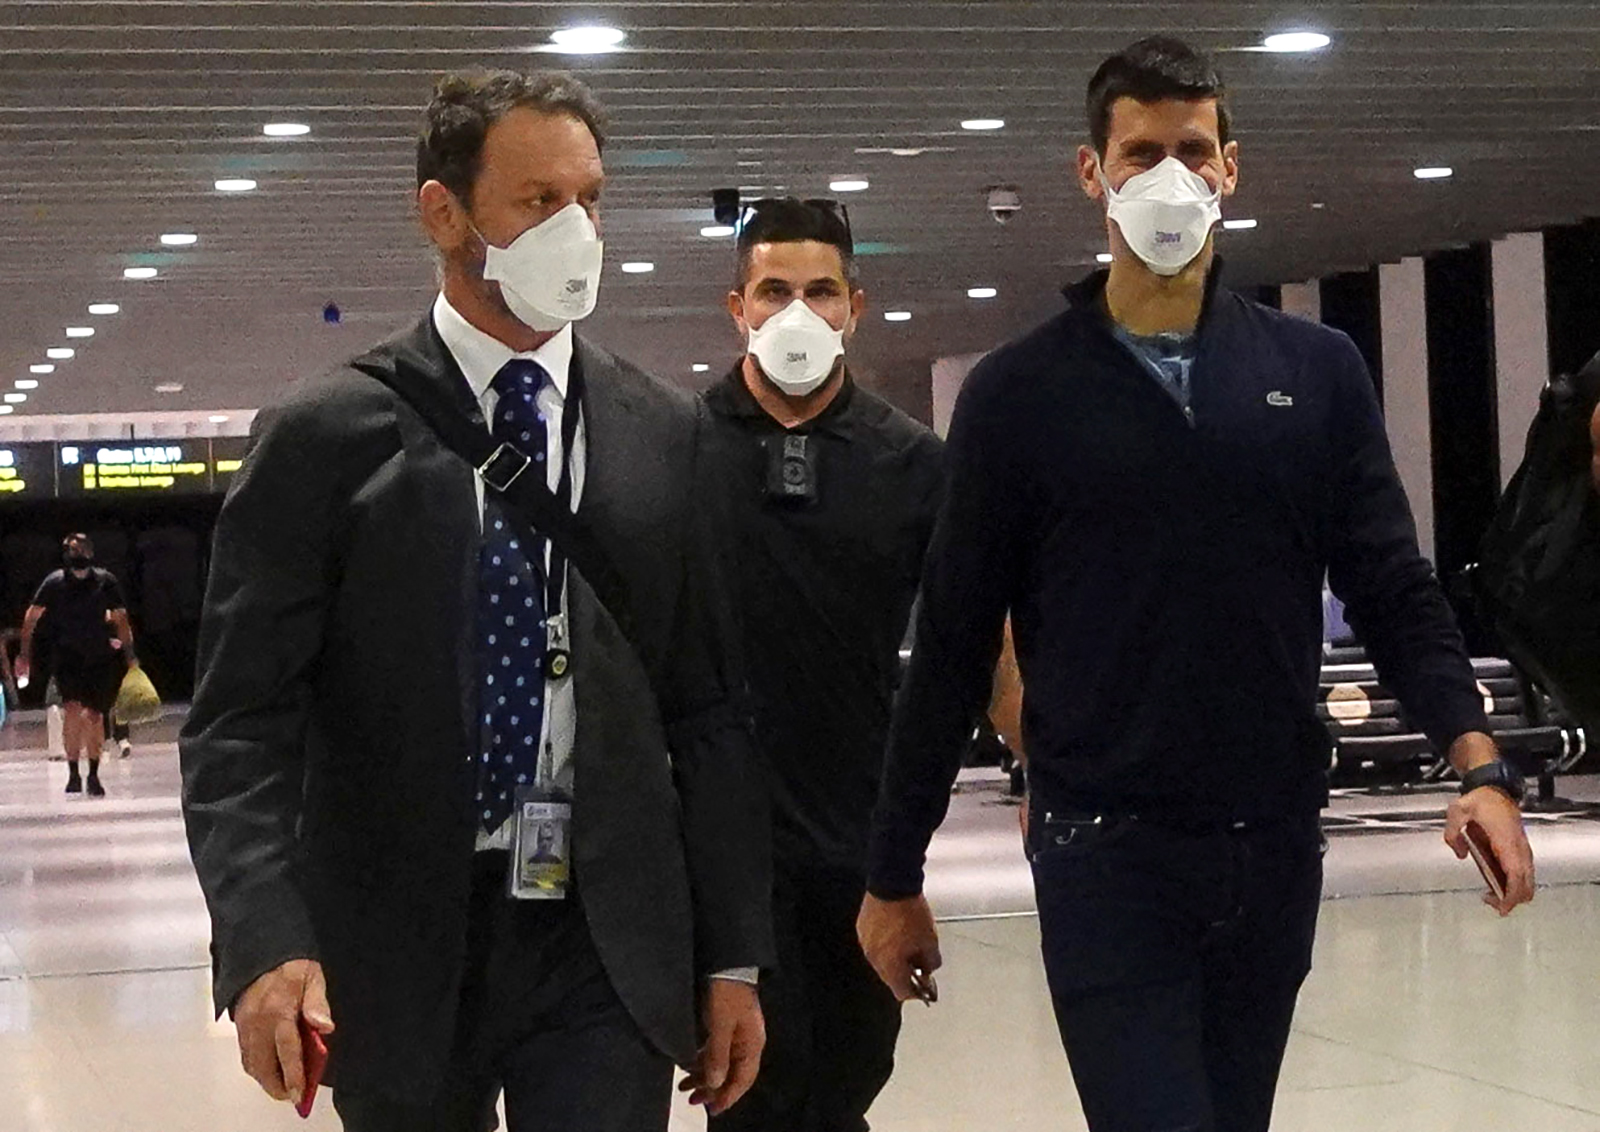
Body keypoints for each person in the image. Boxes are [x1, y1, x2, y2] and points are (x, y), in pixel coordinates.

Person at [857, 36, 1536, 1132]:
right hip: (1104, 851)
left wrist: (1478, 761)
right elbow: (951, 643)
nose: (1166, 177)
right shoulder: (1018, 394)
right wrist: (892, 873)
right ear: (1092, 173)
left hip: (1271, 844)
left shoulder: (1311, 374)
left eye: (1190, 149)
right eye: (1138, 153)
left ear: (1229, 167)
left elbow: (1393, 587)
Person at [180, 69, 773, 1132]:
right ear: (443, 213)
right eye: (538, 201)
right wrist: (265, 937)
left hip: (602, 932)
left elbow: (708, 709)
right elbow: (240, 723)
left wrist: (733, 952)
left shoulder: (662, 434)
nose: (576, 229)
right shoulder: (328, 436)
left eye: (589, 199)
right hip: (397, 931)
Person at [697, 198, 944, 1132]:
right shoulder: (678, 451)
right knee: (753, 1089)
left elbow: (984, 642)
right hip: (722, 848)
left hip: (861, 841)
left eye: (819, 291)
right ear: (738, 308)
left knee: (844, 1081)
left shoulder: (912, 464)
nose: (795, 311)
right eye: (773, 290)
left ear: (854, 307)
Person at [18, 534, 135, 797]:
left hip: (99, 658)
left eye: (82, 549)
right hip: (67, 657)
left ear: (91, 553)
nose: (77, 554)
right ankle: (73, 773)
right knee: (72, 711)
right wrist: (24, 653)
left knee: (94, 716)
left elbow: (121, 619)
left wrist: (130, 656)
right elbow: (32, 617)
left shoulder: (105, 582)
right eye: (73, 549)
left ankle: (93, 775)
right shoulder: (55, 582)